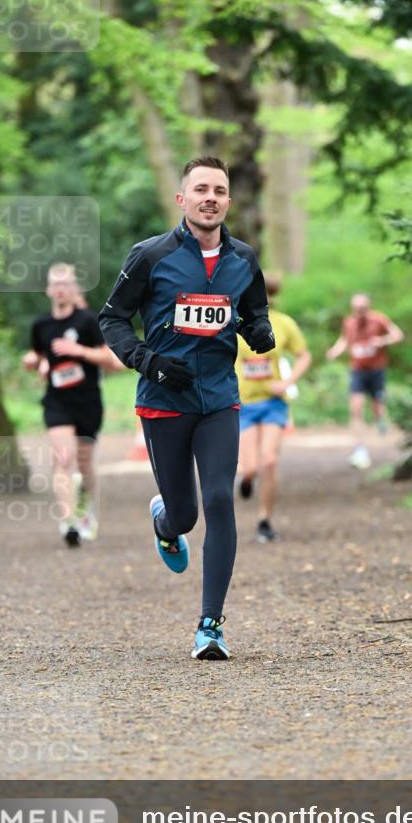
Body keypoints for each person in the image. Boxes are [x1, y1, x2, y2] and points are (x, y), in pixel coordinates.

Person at [98, 156, 274, 662]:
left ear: (228, 201)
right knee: (186, 514)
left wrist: (256, 329)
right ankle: (164, 520)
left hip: (219, 398)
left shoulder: (244, 258)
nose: (210, 197)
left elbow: (251, 308)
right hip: (164, 401)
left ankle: (210, 626)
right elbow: (112, 319)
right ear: (183, 199)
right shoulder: (151, 256)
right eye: (201, 189)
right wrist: (147, 362)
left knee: (220, 499)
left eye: (219, 189)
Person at [23, 262, 117, 546]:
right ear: (49, 290)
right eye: (56, 284)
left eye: (66, 284)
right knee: (63, 458)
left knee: (85, 464)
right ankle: (68, 523)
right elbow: (38, 356)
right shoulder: (41, 325)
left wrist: (79, 351)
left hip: (87, 402)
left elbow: (110, 359)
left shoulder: (88, 321)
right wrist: (33, 361)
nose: (61, 289)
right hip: (57, 402)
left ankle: (86, 511)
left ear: (73, 288)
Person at [235, 272, 311, 542]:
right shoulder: (234, 323)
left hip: (273, 403)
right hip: (243, 403)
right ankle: (245, 480)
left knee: (269, 461)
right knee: (251, 468)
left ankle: (264, 520)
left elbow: (304, 356)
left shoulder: (283, 324)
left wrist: (288, 381)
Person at [325, 292, 404, 469]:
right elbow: (344, 340)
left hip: (377, 370)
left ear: (368, 308)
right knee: (356, 409)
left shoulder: (379, 320)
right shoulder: (349, 322)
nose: (359, 312)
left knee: (378, 410)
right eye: (356, 309)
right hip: (358, 371)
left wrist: (382, 341)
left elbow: (398, 335)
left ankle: (387, 440)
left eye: (362, 309)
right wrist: (334, 351)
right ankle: (360, 449)